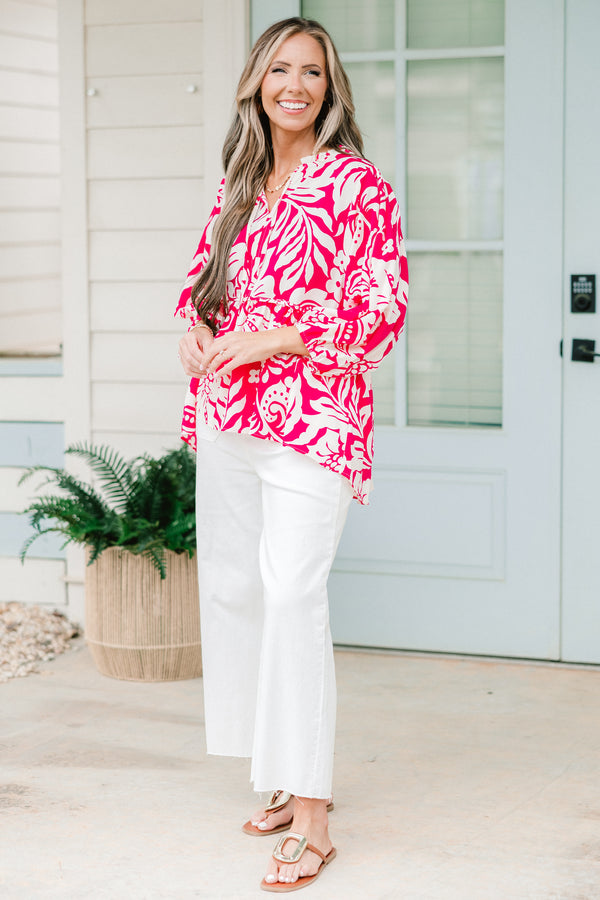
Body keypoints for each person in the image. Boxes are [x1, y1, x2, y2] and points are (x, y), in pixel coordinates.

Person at [176, 16, 408, 893]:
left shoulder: (356, 184)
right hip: (229, 416)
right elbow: (201, 289)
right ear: (257, 84)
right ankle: (275, 772)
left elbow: (381, 313)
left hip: (312, 422)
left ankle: (313, 815)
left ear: (330, 88)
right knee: (236, 590)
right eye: (280, 70)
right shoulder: (240, 182)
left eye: (312, 72)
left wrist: (277, 337)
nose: (295, 86)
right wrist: (195, 333)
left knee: (292, 593)